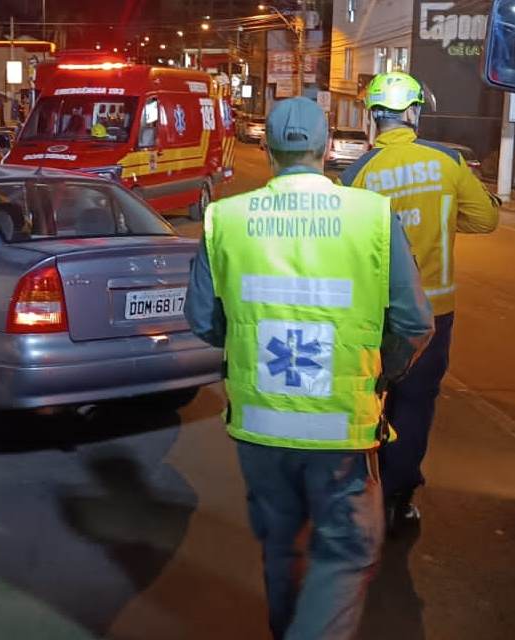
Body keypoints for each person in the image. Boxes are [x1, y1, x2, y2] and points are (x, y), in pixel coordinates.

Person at [186, 97, 434, 639]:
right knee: (346, 552)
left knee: (280, 546)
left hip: (259, 426)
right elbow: (415, 323)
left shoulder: (224, 217)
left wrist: (246, 348)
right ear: (325, 150)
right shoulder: (370, 215)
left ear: (269, 151)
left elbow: (203, 319)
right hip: (342, 429)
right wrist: (382, 373)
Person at [338, 71, 500, 535]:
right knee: (414, 405)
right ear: (413, 113)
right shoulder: (447, 162)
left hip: (374, 311)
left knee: (364, 397)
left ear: (374, 118)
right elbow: (486, 220)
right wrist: (442, 221)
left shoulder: (357, 174)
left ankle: (355, 490)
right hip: (433, 311)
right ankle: (397, 495)